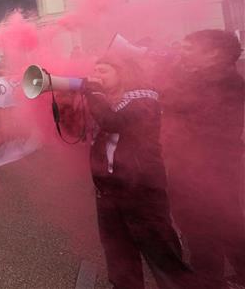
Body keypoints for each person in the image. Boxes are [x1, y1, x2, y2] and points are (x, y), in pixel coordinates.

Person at [83, 55, 196, 289]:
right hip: (109, 188)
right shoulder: (106, 100)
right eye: (94, 71)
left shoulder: (144, 99)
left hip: (141, 188)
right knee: (118, 253)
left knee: (161, 251)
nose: (96, 76)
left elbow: (113, 122)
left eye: (103, 71)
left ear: (122, 73)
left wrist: (92, 93)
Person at [160, 30, 245, 287]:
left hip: (204, 168)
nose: (181, 51)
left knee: (203, 232)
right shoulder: (208, 77)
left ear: (213, 53)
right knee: (224, 224)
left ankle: (210, 281)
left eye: (189, 47)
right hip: (201, 166)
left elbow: (174, 102)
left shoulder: (222, 82)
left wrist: (170, 71)